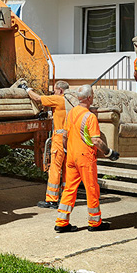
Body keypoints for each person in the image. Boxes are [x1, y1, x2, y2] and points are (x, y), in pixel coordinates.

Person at [55, 85, 114, 233]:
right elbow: (96, 141)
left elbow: (64, 135)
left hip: (72, 156)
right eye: (92, 95)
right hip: (85, 157)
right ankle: (94, 223)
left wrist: (68, 150)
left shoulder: (72, 112)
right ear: (89, 98)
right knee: (92, 188)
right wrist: (109, 152)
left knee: (69, 188)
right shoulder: (90, 117)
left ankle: (61, 222)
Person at [28, 81, 70, 209]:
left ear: (60, 91)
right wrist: (49, 114)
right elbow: (61, 114)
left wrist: (27, 89)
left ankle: (52, 200)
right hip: (69, 139)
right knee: (66, 169)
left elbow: (37, 98)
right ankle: (65, 197)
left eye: (55, 90)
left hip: (59, 138)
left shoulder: (58, 99)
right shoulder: (70, 102)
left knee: (54, 168)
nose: (53, 92)